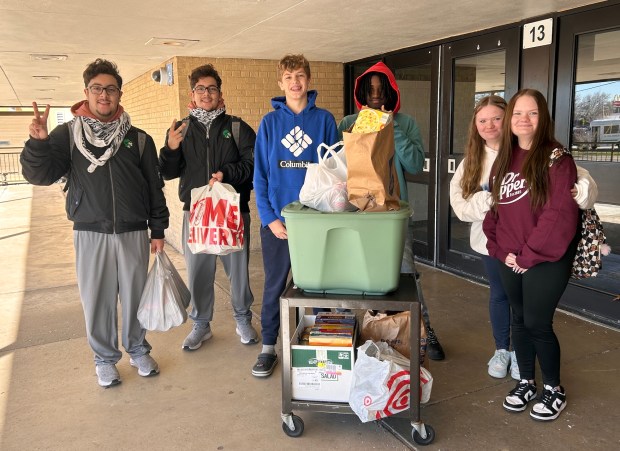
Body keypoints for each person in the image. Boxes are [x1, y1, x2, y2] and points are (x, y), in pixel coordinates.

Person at [20, 59, 169, 388]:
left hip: (132, 230)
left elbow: (153, 187)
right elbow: (39, 174)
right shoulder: (67, 135)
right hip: (90, 231)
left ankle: (138, 349)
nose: (104, 95)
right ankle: (104, 358)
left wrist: (157, 229)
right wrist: (39, 143)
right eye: (97, 88)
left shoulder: (138, 138)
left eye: (111, 89)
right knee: (97, 299)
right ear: (86, 92)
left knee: (135, 297)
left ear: (119, 94)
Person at [451, 95, 597, 381]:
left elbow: (582, 186)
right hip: (494, 244)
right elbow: (461, 207)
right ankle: (502, 350)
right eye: (482, 120)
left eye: (497, 118)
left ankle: (523, 357)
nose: (490, 125)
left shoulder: (545, 154)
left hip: (534, 247)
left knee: (530, 314)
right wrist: (490, 202)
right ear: (475, 126)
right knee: (502, 297)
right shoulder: (473, 162)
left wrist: (580, 192)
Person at [483, 89, 580, 422]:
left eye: (533, 113)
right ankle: (526, 381)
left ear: (544, 118)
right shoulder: (504, 159)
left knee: (538, 323)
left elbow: (559, 214)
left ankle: (553, 389)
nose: (524, 119)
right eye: (518, 113)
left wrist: (528, 255)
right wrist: (500, 250)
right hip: (510, 256)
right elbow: (495, 211)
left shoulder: (557, 159)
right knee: (519, 320)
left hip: (546, 258)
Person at [337, 61, 445, 360]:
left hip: (394, 214)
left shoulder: (406, 123)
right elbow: (337, 166)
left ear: (390, 91)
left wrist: (389, 126)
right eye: (369, 90)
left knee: (406, 275)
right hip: (357, 214)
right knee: (354, 275)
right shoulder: (348, 122)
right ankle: (363, 332)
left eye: (380, 88)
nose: (375, 95)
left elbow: (413, 164)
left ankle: (424, 329)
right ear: (361, 91)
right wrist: (364, 127)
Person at [158, 64, 257, 350]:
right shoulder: (181, 129)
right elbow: (166, 171)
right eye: (200, 88)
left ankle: (242, 318)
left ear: (220, 93)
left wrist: (226, 173)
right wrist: (170, 149)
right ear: (192, 93)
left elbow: (252, 165)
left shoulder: (236, 128)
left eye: (211, 88)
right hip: (196, 211)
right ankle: (201, 325)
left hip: (232, 211)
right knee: (199, 270)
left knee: (237, 270)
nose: (206, 93)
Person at [252, 54, 338, 377]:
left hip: (315, 224)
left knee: (318, 287)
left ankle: (322, 344)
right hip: (279, 224)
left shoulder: (325, 121)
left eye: (300, 76)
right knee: (274, 286)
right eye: (288, 77)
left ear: (308, 79)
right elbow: (260, 176)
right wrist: (270, 218)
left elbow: (335, 172)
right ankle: (268, 347)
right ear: (280, 83)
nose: (295, 82)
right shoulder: (269, 124)